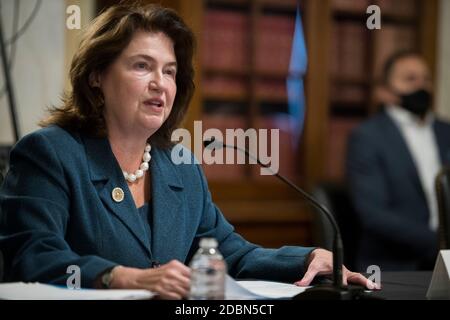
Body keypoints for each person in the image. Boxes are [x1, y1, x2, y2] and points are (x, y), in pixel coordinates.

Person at [0, 3, 374, 299]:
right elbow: (33, 255)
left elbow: (230, 253)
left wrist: (307, 258)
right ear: (96, 76)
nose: (159, 84)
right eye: (142, 66)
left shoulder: (179, 165)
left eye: (169, 71)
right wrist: (125, 277)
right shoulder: (50, 153)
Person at [346, 51, 450, 272]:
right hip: (395, 265)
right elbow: (373, 214)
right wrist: (439, 244)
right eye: (410, 79)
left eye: (426, 79)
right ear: (384, 92)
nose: (421, 86)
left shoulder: (445, 131)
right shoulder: (368, 137)